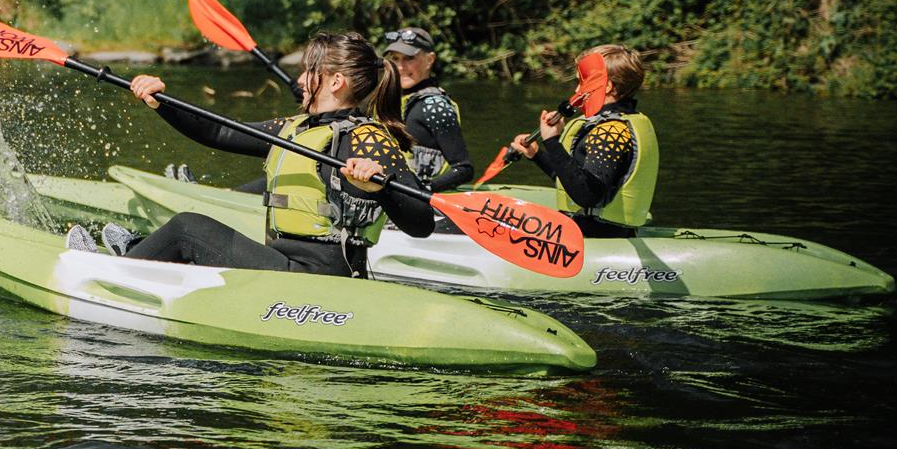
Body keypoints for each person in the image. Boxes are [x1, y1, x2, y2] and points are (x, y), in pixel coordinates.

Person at [90, 30, 434, 278]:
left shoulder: (368, 139)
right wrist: (160, 103)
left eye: (309, 71)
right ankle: (140, 256)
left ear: (335, 82)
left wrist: (381, 188)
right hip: (282, 259)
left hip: (321, 274)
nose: (301, 80)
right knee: (193, 231)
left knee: (187, 227)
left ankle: (109, 273)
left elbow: (422, 223)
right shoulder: (296, 128)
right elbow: (217, 131)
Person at [509, 43, 659, 238]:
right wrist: (537, 154)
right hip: (591, 232)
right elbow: (572, 179)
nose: (578, 89)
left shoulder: (611, 133)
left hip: (597, 237)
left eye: (583, 81)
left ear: (607, 86)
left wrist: (552, 141)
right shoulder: (618, 122)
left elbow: (586, 195)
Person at [380, 27, 475, 191]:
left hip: (421, 197)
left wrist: (423, 191)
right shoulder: (392, 100)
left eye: (409, 58)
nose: (400, 67)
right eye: (395, 58)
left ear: (430, 60)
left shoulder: (436, 106)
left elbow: (464, 169)